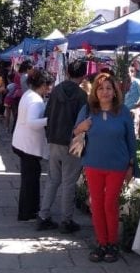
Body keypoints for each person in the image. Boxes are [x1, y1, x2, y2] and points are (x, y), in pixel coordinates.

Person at [73, 72, 136, 263]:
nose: (105, 92)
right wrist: (81, 127)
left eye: (109, 88)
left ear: (115, 91)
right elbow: (75, 133)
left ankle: (112, 244)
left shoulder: (123, 112)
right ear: (95, 91)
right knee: (97, 204)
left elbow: (131, 140)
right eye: (101, 88)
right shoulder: (87, 110)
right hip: (93, 165)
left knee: (110, 204)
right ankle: (102, 243)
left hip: (117, 166)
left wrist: (132, 165)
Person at [36, 60, 88, 233]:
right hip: (71, 142)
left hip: (54, 140)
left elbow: (47, 114)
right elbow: (83, 123)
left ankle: (43, 215)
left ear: (67, 72)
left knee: (53, 179)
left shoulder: (56, 90)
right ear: (83, 75)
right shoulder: (81, 96)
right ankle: (66, 220)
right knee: (69, 182)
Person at [11, 69, 54, 222]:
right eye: (49, 85)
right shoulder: (36, 100)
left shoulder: (28, 94)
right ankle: (26, 213)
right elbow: (32, 123)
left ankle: (29, 210)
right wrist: (50, 120)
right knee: (30, 180)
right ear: (43, 85)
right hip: (28, 145)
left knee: (29, 179)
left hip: (22, 143)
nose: (49, 88)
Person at [124, 65, 140, 139]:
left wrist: (137, 106)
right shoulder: (124, 83)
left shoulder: (137, 82)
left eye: (127, 72)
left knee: (133, 133)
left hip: (134, 113)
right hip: (124, 112)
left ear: (132, 72)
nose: (125, 74)